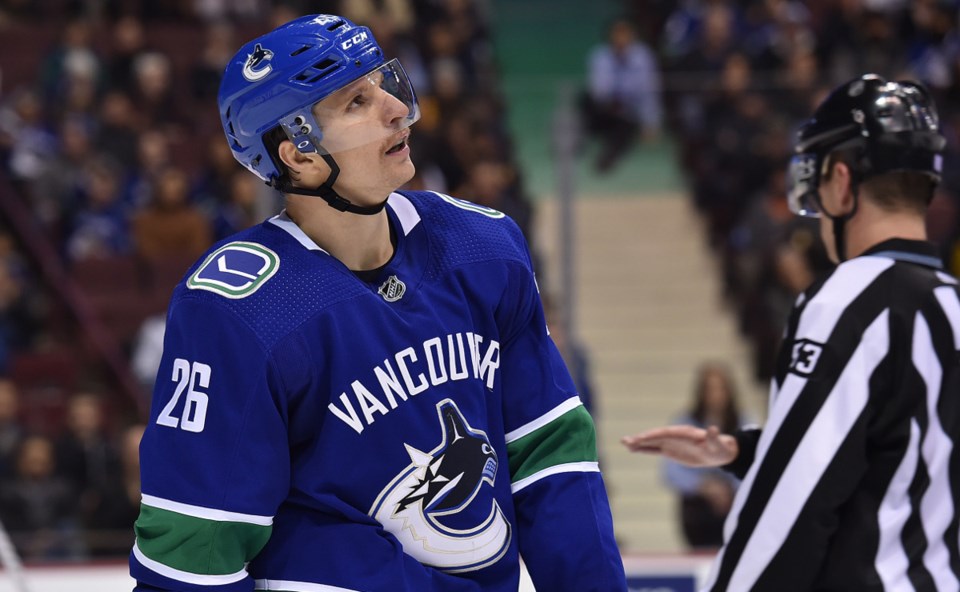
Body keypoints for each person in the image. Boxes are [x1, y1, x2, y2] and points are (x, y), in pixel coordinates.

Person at [130, 14, 626, 592]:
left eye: (385, 82)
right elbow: (194, 549)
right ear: (299, 155)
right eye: (356, 101)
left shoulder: (483, 248)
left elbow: (547, 453)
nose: (396, 108)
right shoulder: (237, 308)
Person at [623, 74, 960, 590]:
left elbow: (793, 502)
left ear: (841, 181)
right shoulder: (950, 306)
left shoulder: (848, 300)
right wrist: (741, 451)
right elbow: (897, 453)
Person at [661, 363, 748, 550]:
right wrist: (704, 487)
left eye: (720, 389)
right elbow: (671, 470)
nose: (715, 396)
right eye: (709, 389)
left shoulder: (744, 422)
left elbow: (755, 465)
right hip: (699, 511)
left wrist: (729, 489)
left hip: (734, 503)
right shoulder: (684, 423)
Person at [580, 17, 662, 172]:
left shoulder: (644, 57)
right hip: (605, 109)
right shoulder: (600, 56)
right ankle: (579, 141)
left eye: (625, 34)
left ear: (633, 35)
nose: (621, 38)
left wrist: (651, 123)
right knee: (585, 99)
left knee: (625, 126)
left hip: (628, 113)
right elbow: (599, 90)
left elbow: (649, 92)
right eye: (617, 34)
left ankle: (608, 158)